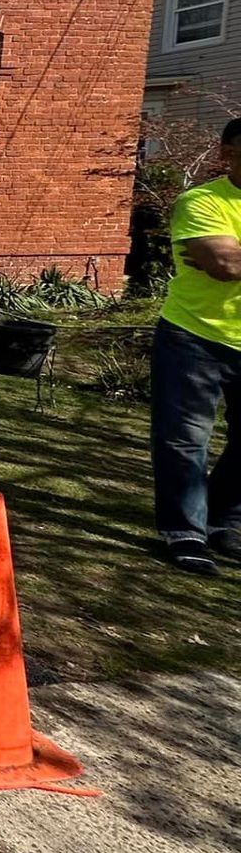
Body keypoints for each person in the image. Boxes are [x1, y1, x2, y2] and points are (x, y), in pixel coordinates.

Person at [152, 118, 241, 575]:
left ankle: (223, 520)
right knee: (186, 439)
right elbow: (226, 263)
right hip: (196, 336)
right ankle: (184, 530)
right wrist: (225, 257)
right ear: (228, 153)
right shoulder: (202, 201)